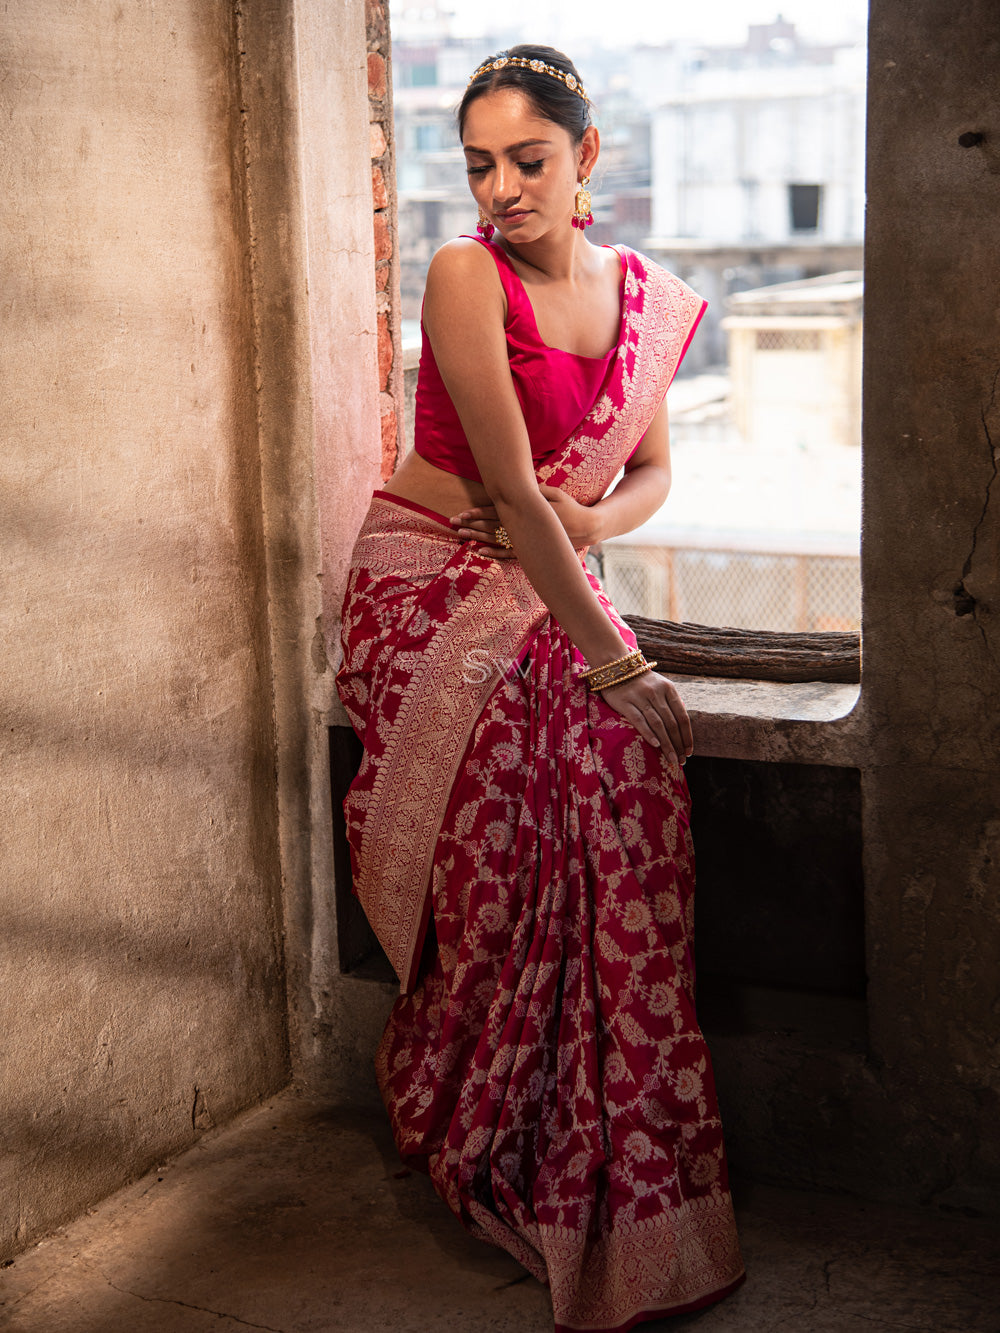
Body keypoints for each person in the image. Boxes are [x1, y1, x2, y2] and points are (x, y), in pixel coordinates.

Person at [337, 44, 745, 1331]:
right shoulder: (464, 274)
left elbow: (649, 479)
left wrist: (595, 508)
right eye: (478, 166)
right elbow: (506, 495)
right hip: (426, 585)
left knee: (624, 792)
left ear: (588, 162)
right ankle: (489, 1125)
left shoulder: (648, 301)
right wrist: (618, 657)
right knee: (544, 779)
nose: (501, 188)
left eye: (528, 160)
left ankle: (617, 1168)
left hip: (545, 571)